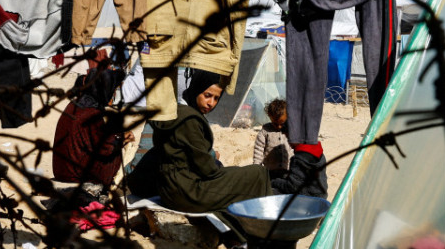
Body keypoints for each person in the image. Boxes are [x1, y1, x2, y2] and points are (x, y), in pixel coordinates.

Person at [127, 69, 271, 212]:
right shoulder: (189, 119)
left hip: (170, 188)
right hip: (186, 193)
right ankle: (261, 224)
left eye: (216, 98)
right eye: (207, 96)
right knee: (258, 174)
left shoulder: (174, 111)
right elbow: (207, 169)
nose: (211, 103)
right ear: (196, 89)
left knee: (239, 173)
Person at [51, 62, 125, 187]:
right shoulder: (91, 112)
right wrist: (119, 138)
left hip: (61, 170)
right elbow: (105, 148)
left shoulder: (76, 104)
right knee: (116, 149)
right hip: (74, 174)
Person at [253, 99, 291, 180]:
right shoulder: (265, 131)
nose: (279, 127)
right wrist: (256, 168)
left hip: (288, 170)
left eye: (282, 123)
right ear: (270, 117)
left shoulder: (290, 130)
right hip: (270, 171)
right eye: (275, 123)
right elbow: (258, 151)